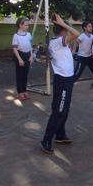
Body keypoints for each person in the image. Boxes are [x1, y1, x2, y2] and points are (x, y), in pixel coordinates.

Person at [40, 14, 80, 154]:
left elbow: (75, 37)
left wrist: (64, 24)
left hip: (67, 79)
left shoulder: (61, 41)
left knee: (64, 110)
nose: (68, 30)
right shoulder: (57, 42)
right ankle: (46, 140)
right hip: (62, 80)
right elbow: (76, 33)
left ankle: (60, 134)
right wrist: (64, 24)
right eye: (65, 28)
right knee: (59, 111)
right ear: (62, 30)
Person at [12, 17, 34, 101]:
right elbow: (14, 48)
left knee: (25, 75)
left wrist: (31, 56)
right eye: (26, 25)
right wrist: (19, 59)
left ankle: (24, 91)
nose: (27, 26)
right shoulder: (16, 36)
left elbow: (30, 46)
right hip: (20, 56)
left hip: (28, 55)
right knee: (20, 75)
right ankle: (20, 93)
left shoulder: (28, 34)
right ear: (20, 25)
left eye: (28, 25)